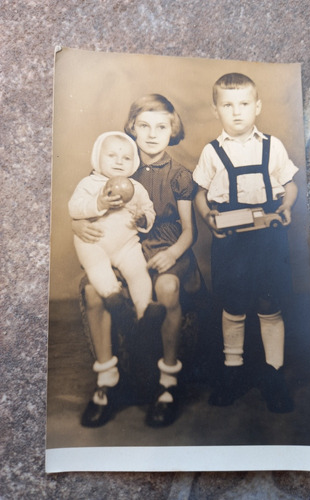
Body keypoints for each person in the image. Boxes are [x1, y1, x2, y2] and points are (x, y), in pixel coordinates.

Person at [73, 94, 200, 427]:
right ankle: (107, 380)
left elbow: (190, 232)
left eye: (161, 126)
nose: (152, 134)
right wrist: (77, 223)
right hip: (123, 246)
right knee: (92, 292)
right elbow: (87, 201)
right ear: (132, 128)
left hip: (166, 248)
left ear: (173, 130)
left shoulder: (179, 176)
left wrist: (172, 254)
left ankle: (167, 383)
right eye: (143, 126)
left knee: (168, 288)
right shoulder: (116, 164)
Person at [193, 73, 298, 413]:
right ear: (215, 109)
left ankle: (274, 373)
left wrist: (286, 206)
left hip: (269, 237)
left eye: (243, 104)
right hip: (231, 237)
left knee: (269, 301)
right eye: (227, 105)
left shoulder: (273, 145)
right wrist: (208, 217)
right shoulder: (212, 152)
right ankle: (232, 370)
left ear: (257, 106)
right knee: (234, 303)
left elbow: (289, 184)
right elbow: (201, 194)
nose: (236, 112)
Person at [69, 131, 160, 321]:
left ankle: (146, 311)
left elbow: (149, 210)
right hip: (94, 242)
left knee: (139, 272)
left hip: (126, 245)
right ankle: (113, 296)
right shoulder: (89, 183)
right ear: (97, 158)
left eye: (126, 158)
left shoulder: (136, 188)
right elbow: (74, 208)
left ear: (134, 162)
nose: (119, 162)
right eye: (111, 156)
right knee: (97, 265)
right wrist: (99, 204)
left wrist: (143, 219)